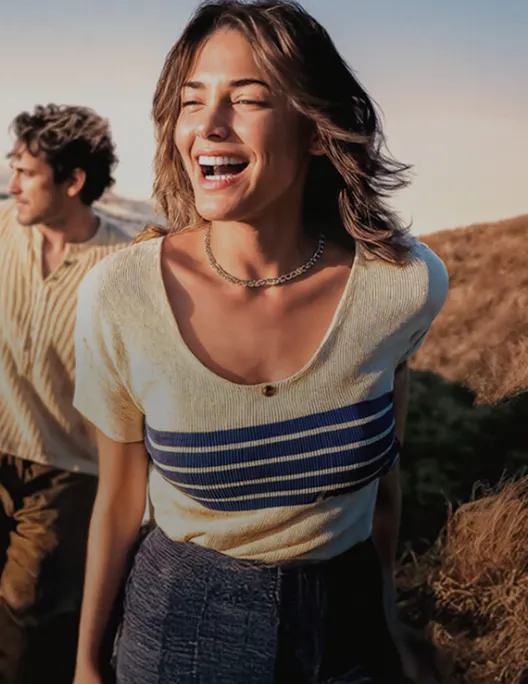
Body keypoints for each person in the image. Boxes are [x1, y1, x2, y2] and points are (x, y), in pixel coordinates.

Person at [69, 2, 448, 683]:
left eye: (246, 99)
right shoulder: (121, 297)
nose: (208, 126)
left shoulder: (402, 287)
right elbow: (122, 501)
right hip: (185, 627)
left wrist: (387, 620)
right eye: (191, 102)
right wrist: (87, 663)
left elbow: (382, 479)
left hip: (347, 624)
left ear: (314, 130)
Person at [0, 103, 138, 683]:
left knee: (23, 610)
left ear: (73, 182)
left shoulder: (120, 267)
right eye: (12, 168)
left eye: (26, 172)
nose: (11, 184)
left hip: (65, 473)